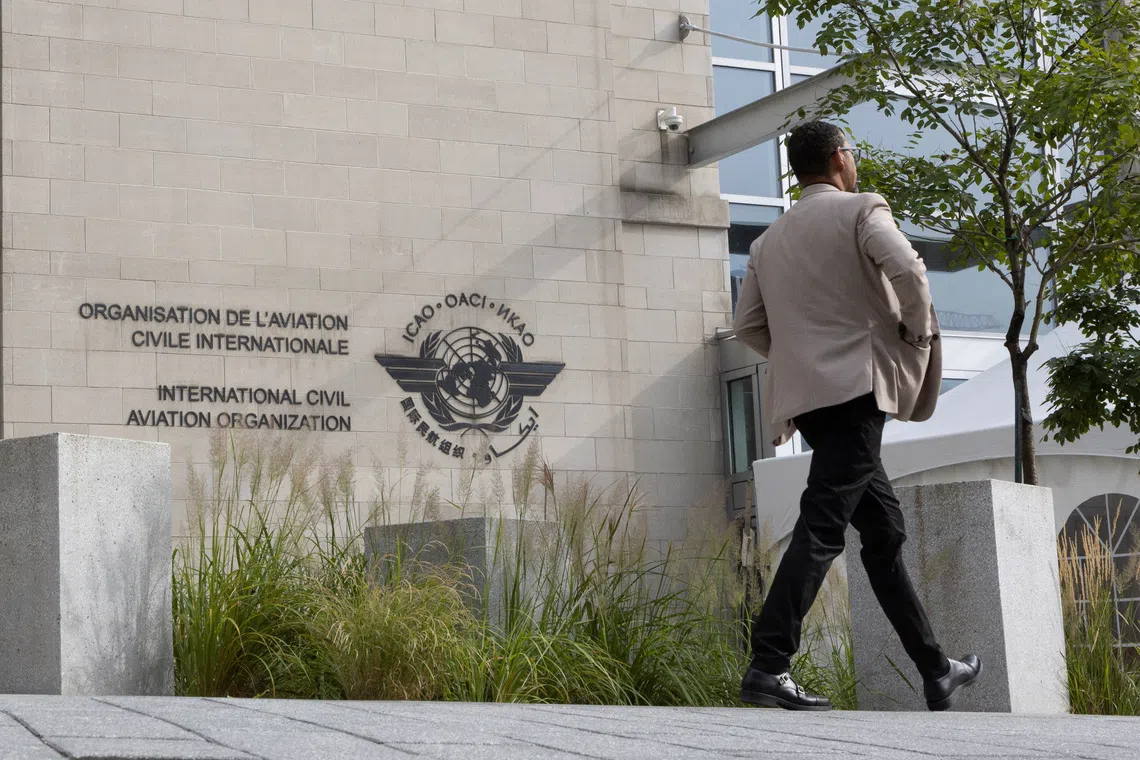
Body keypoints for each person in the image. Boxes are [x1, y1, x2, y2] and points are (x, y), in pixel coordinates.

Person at [732, 120, 983, 712]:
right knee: (823, 525)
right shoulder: (862, 209)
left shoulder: (768, 241)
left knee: (884, 532)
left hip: (809, 403)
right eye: (852, 151)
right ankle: (768, 663)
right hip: (859, 391)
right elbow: (910, 271)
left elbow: (747, 326)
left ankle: (936, 669)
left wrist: (801, 356)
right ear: (839, 158)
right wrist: (916, 333)